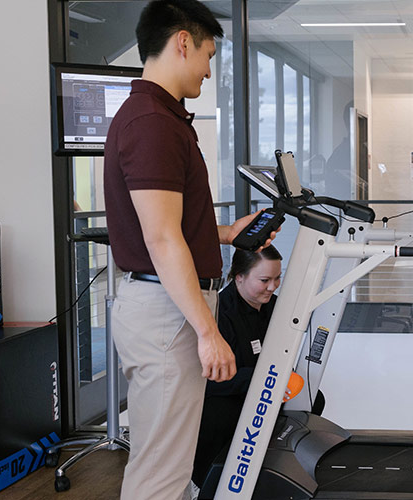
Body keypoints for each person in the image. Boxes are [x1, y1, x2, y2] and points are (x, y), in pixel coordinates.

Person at [103, 1, 273, 498]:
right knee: (160, 470)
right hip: (165, 313)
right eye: (208, 54)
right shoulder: (151, 123)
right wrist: (207, 330)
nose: (207, 69)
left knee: (173, 464)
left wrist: (227, 233)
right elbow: (159, 238)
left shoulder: (164, 118)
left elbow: (168, 224)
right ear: (182, 42)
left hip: (168, 305)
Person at [190, 247, 284, 491]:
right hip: (226, 395)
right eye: (264, 280)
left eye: (277, 278)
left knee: (313, 399)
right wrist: (266, 379)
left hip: (261, 386)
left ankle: (275, 470)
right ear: (239, 276)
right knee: (219, 415)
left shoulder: (274, 307)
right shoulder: (220, 313)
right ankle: (208, 485)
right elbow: (213, 380)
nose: (273, 287)